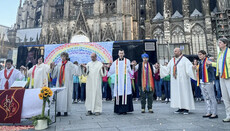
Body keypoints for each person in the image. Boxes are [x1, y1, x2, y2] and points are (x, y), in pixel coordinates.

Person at [160, 48, 196, 114]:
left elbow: (189, 68)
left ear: (179, 52)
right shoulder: (172, 60)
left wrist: (192, 68)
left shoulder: (185, 60)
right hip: (175, 80)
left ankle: (186, 108)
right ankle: (180, 107)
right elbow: (167, 69)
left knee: (184, 93)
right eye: (174, 51)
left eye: (176, 51)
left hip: (183, 81)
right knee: (177, 94)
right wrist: (161, 67)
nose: (174, 52)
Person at [50, 52, 81, 116]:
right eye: (62, 56)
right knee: (59, 97)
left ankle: (65, 111)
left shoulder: (70, 64)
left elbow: (76, 70)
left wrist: (80, 67)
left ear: (66, 57)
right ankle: (58, 111)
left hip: (67, 83)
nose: (63, 58)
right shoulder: (59, 64)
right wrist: (52, 68)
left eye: (64, 56)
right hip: (59, 84)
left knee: (66, 96)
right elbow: (54, 75)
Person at [206, 38, 230, 122]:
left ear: (225, 44)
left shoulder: (229, 52)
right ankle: (228, 115)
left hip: (228, 76)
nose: (218, 44)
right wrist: (211, 63)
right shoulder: (220, 53)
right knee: (225, 97)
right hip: (221, 76)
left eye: (220, 42)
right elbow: (219, 65)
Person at [108, 49, 134, 115]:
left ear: (124, 54)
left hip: (125, 81)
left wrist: (133, 67)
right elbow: (111, 71)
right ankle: (119, 110)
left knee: (126, 94)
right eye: (120, 53)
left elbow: (130, 71)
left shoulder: (127, 61)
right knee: (119, 94)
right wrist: (106, 70)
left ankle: (125, 109)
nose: (121, 54)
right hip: (118, 81)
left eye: (122, 53)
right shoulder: (115, 62)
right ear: (118, 54)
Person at [196, 50, 217, 119]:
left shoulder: (208, 61)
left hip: (208, 80)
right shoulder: (200, 62)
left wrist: (210, 64)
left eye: (201, 54)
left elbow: (213, 69)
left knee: (211, 97)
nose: (199, 56)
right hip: (202, 81)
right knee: (206, 97)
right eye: (199, 54)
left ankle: (214, 113)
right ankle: (208, 111)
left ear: (204, 55)